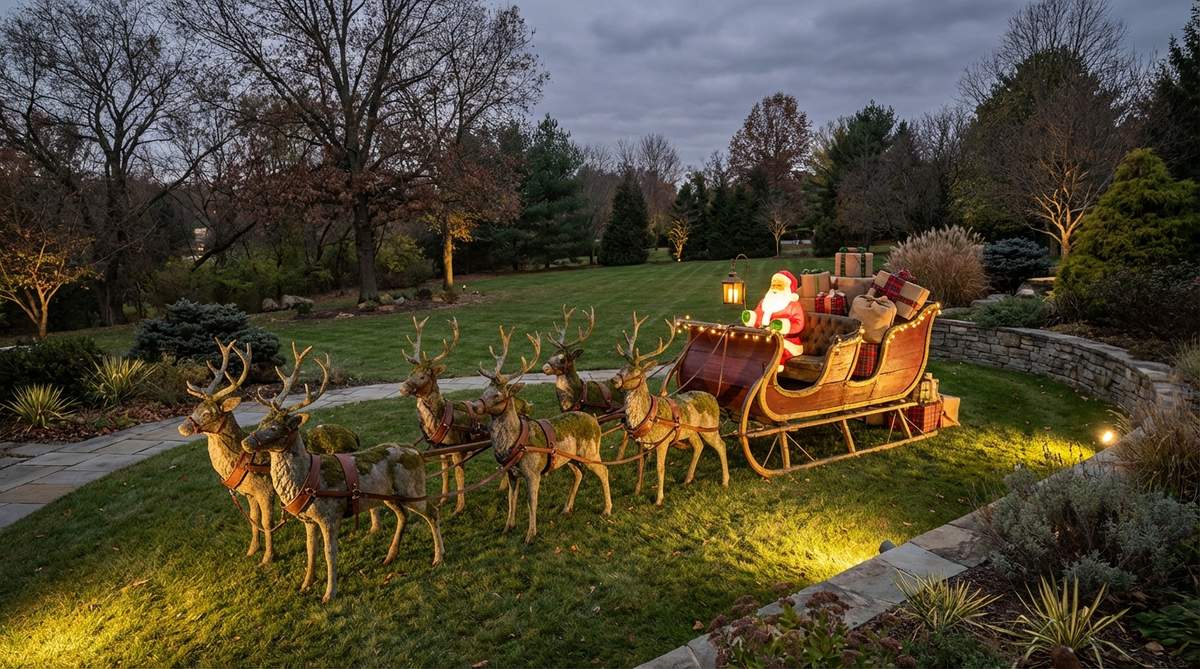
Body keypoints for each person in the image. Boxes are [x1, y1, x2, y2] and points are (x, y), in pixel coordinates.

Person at [741, 270, 806, 367]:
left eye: (779, 286)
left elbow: (798, 323)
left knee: (778, 348)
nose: (775, 289)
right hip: (765, 337)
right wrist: (751, 317)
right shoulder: (765, 302)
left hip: (786, 340)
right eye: (773, 285)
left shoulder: (793, 305)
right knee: (752, 346)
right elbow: (758, 315)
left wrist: (783, 326)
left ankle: (776, 368)